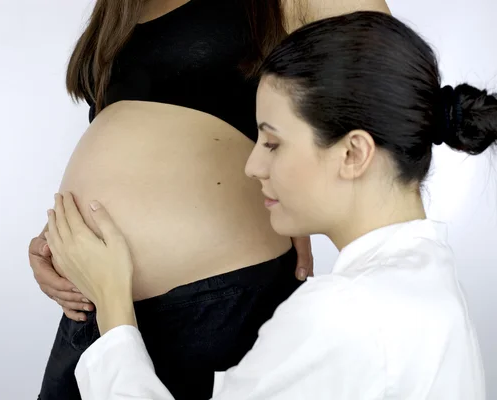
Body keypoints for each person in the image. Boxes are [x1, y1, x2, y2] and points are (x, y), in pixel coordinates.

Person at [44, 11, 491, 400]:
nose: (252, 165)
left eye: (273, 143)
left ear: (354, 152)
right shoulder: (428, 287)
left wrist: (113, 306)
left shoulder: (344, 317)